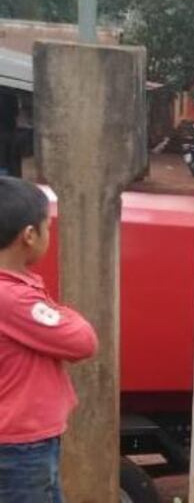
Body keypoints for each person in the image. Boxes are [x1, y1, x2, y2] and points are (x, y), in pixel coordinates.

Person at [0, 177, 98, 502]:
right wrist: (64, 313)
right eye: (47, 227)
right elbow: (82, 340)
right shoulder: (13, 299)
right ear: (29, 236)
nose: (49, 234)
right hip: (20, 447)